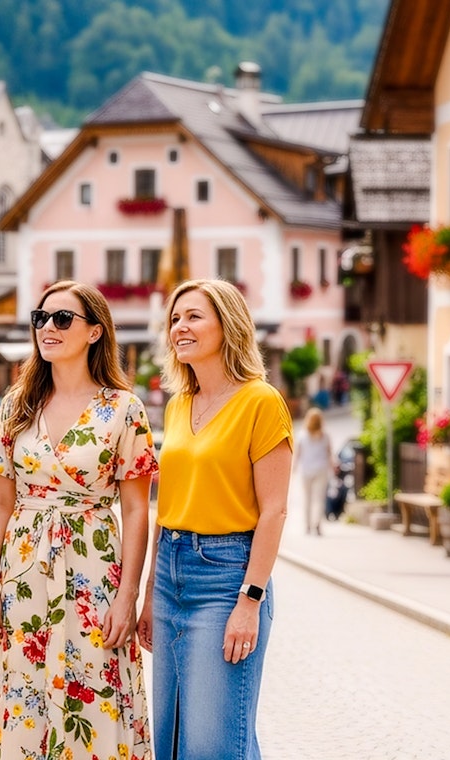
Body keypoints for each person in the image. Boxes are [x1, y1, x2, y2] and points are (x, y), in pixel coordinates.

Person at [0, 281, 158, 760]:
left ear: (95, 332)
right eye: (41, 318)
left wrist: (129, 596)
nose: (48, 328)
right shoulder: (17, 405)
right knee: (25, 698)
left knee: (94, 697)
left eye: (62, 319)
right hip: (24, 576)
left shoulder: (124, 410)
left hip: (94, 572)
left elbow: (137, 508)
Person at [136, 279, 292, 760]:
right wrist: (147, 594)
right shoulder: (180, 403)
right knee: (175, 739)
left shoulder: (260, 401)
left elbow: (275, 511)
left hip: (227, 576)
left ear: (228, 325)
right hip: (169, 577)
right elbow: (167, 504)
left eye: (194, 316)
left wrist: (250, 601)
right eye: (175, 319)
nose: (180, 327)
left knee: (213, 744)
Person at [295, 407, 333, 536]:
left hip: (306, 470)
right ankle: (317, 524)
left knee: (307, 499)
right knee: (319, 499)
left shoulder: (302, 434)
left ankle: (307, 525)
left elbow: (298, 454)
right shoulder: (325, 435)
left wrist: (294, 468)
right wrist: (333, 467)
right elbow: (329, 453)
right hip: (321, 469)